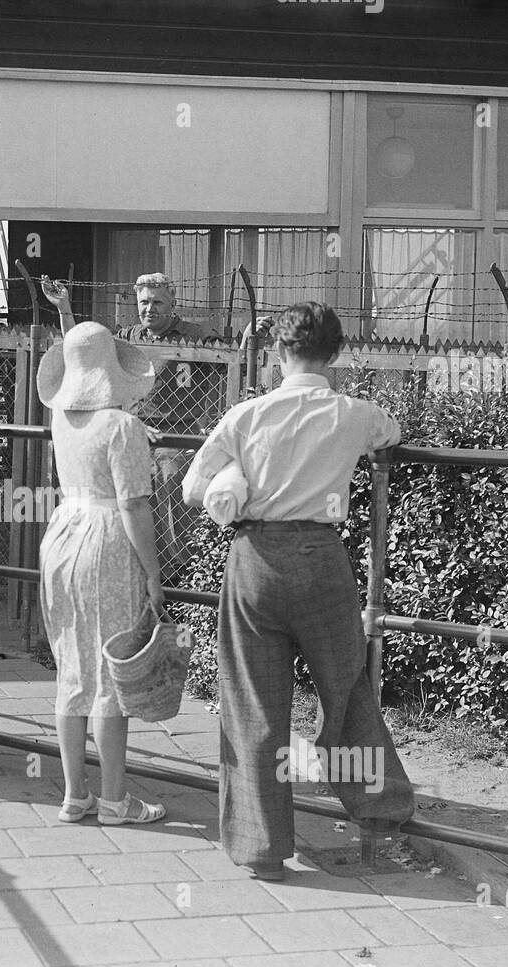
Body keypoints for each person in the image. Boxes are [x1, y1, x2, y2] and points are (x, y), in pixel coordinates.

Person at [181, 302, 415, 880]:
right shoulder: (355, 414)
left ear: (278, 353)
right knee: (344, 685)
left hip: (254, 559)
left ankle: (260, 848)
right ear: (335, 355)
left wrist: (237, 481)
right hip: (321, 559)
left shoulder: (245, 416)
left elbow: (192, 488)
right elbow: (394, 433)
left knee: (253, 704)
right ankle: (380, 808)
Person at [38, 321, 167, 826]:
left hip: (63, 533)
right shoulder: (123, 429)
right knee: (111, 670)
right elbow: (134, 505)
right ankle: (116, 800)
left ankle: (75, 794)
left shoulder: (61, 420)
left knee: (73, 665)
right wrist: (155, 574)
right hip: (108, 541)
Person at [42, 272, 215, 579]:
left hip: (177, 435)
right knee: (128, 498)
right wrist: (64, 309)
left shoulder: (194, 334)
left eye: (158, 302)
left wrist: (251, 334)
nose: (150, 309)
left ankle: (182, 571)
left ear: (173, 303)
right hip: (131, 430)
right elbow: (83, 352)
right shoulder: (128, 337)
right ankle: (139, 566)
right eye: (144, 302)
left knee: (172, 486)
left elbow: (234, 354)